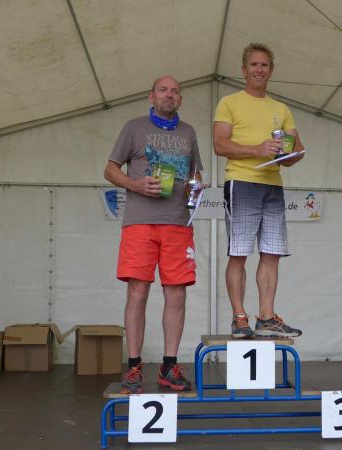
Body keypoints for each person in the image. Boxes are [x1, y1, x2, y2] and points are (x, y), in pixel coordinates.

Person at [103, 75, 203, 394]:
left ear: (180, 98)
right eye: (163, 90)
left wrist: (196, 187)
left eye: (175, 91)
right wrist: (135, 184)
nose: (169, 95)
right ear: (151, 96)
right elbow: (110, 169)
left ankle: (169, 366)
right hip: (140, 222)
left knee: (177, 294)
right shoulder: (133, 128)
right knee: (138, 292)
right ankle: (134, 367)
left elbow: (196, 174)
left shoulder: (189, 132)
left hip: (178, 223)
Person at [213, 43, 305, 339]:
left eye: (264, 65)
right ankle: (239, 318)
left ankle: (266, 317)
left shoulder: (281, 109)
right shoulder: (229, 102)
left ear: (271, 71)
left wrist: (289, 155)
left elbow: (297, 148)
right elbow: (219, 145)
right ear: (244, 70)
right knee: (239, 253)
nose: (259, 69)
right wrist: (258, 149)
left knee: (272, 253)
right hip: (242, 182)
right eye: (254, 64)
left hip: (273, 184)